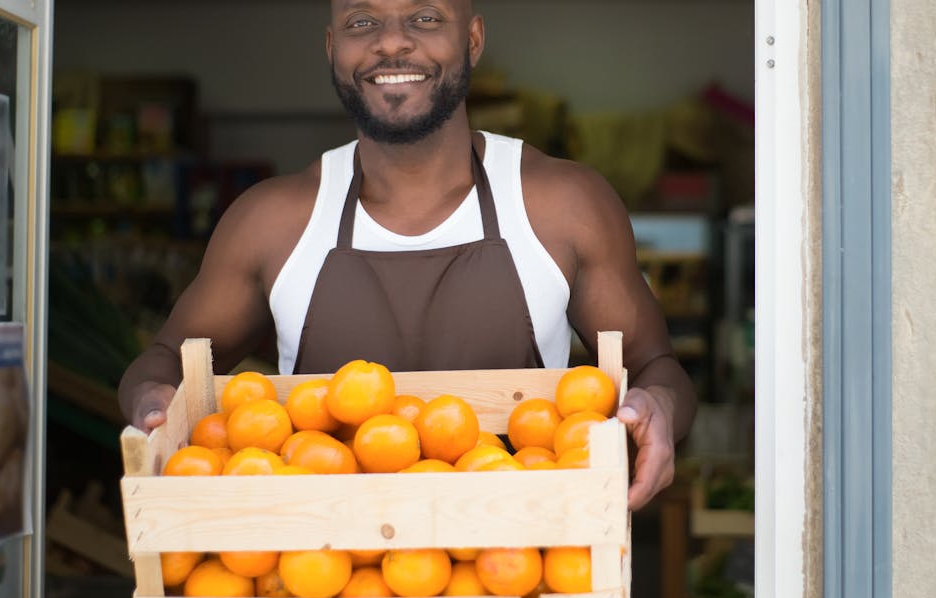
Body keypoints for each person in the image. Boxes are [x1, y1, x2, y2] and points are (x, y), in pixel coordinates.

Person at [117, 0, 695, 510]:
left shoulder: (563, 205)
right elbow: (166, 359)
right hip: (321, 581)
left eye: (424, 18)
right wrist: (154, 407)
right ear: (332, 46)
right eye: (362, 21)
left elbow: (654, 367)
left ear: (471, 39)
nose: (391, 41)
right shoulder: (271, 221)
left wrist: (659, 410)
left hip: (522, 583)